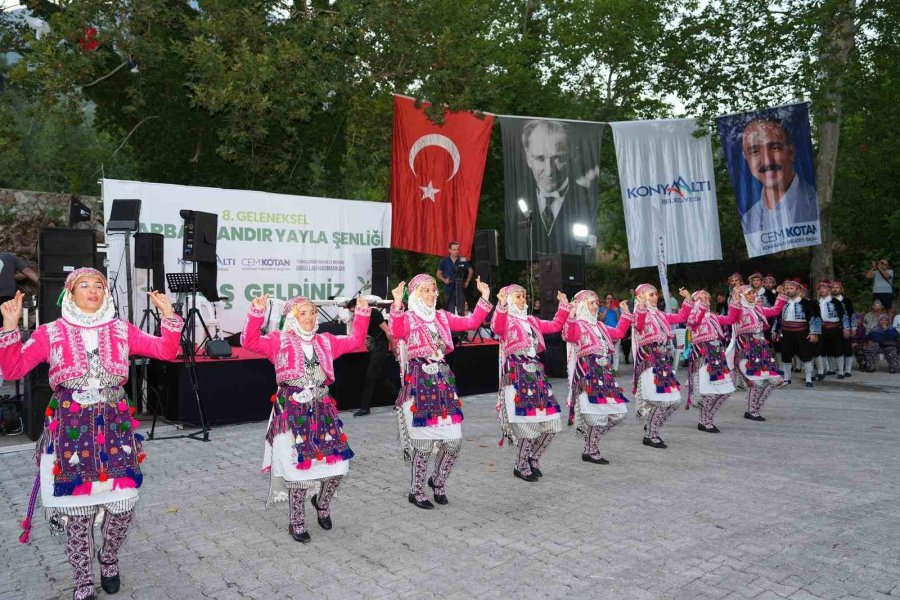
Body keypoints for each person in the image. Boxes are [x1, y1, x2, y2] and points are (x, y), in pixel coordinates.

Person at [0, 269, 182, 600]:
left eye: (99, 284)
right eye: (84, 285)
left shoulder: (121, 329)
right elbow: (12, 369)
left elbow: (166, 352)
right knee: (78, 513)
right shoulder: (51, 332)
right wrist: (10, 328)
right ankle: (83, 577)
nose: (93, 290)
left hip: (114, 428)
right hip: (71, 429)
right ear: (69, 293)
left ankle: (109, 558)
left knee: (123, 507)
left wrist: (168, 317)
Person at [241, 294, 370, 543]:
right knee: (296, 469)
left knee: (339, 467)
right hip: (291, 411)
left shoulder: (326, 341)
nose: (310, 317)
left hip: (322, 411)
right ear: (291, 317)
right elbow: (249, 341)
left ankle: (322, 502)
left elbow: (356, 340)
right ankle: (296, 520)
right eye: (303, 313)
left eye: (312, 312)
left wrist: (362, 313)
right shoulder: (279, 341)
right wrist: (256, 312)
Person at [390, 274, 492, 508]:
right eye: (427, 290)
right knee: (423, 445)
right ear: (416, 294)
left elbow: (470, 323)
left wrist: (484, 297)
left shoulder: (442, 317)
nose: (433, 294)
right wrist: (396, 305)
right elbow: (396, 331)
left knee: (454, 442)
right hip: (418, 385)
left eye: (434, 290)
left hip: (443, 385)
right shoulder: (407, 318)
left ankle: (437, 481)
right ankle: (416, 491)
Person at [491, 285, 569, 481]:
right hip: (517, 377)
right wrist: (501, 305)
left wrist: (564, 306)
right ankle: (520, 464)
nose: (522, 299)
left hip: (536, 376)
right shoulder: (506, 319)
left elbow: (554, 326)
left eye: (524, 296)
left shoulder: (531, 320)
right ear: (508, 300)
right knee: (528, 425)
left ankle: (532, 457)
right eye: (517, 296)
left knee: (552, 424)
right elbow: (496, 327)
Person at [562, 291, 632, 464]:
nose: (595, 307)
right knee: (594, 416)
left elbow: (619, 333)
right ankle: (591, 450)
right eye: (591, 303)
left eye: (596, 303)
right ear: (581, 305)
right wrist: (570, 314)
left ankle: (589, 444)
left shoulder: (600, 326)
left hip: (605, 375)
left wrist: (625, 313)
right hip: (587, 375)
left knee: (619, 413)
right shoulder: (577, 325)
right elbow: (568, 335)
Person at [516, 119, 599, 256]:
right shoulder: (517, 202)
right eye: (540, 159)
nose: (549, 171)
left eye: (558, 158)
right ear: (528, 157)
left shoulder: (587, 198)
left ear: (572, 154)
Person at [631, 284, 694, 449]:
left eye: (655, 294)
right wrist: (642, 306)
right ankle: (651, 435)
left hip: (663, 363)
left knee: (674, 401)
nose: (655, 297)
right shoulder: (638, 314)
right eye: (651, 295)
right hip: (650, 363)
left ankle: (652, 425)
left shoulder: (660, 314)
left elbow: (681, 317)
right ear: (642, 296)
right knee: (662, 401)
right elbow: (639, 326)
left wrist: (687, 299)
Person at [739, 118, 819, 234]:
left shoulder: (817, 202)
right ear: (746, 159)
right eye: (755, 151)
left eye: (775, 148)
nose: (767, 161)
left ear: (791, 152)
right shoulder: (748, 219)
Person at [684, 289, 740, 433]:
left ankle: (707, 418)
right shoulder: (691, 316)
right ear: (696, 301)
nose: (707, 298)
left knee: (725, 390)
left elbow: (730, 319)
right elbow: (694, 321)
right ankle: (704, 421)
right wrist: (700, 306)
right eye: (702, 297)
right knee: (708, 392)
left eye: (708, 297)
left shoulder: (713, 316)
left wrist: (735, 301)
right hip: (703, 356)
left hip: (717, 355)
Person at [733, 284, 787, 421]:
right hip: (746, 346)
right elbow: (731, 316)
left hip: (760, 346)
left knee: (772, 381)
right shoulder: (739, 309)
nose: (752, 295)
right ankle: (752, 411)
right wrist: (735, 299)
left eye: (753, 293)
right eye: (749, 293)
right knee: (756, 381)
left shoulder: (757, 308)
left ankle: (754, 409)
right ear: (742, 296)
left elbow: (775, 311)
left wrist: (781, 296)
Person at [345, 298, 395, 417]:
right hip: (374, 346)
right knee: (381, 377)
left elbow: (388, 331)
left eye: (354, 311)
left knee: (370, 376)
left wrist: (393, 348)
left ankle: (365, 407)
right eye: (352, 312)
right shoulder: (359, 317)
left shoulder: (374, 313)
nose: (353, 314)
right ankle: (400, 398)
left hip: (381, 345)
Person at [775, 279, 821, 387]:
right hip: (786, 332)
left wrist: (814, 332)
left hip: (802, 332)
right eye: (787, 289)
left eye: (791, 289)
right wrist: (775, 330)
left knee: (806, 354)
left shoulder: (806, 302)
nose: (788, 291)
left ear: (798, 289)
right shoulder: (783, 302)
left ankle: (809, 378)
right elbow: (778, 318)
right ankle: (787, 377)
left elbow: (813, 318)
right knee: (785, 354)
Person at [815, 280, 850, 380]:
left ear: (829, 290)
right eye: (820, 288)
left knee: (838, 349)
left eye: (825, 288)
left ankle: (841, 372)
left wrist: (846, 328)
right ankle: (820, 372)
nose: (822, 290)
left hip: (835, 328)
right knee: (820, 350)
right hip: (821, 328)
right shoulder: (816, 302)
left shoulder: (836, 302)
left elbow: (844, 316)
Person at [436, 241, 473, 316]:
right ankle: (452, 327)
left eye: (457, 249)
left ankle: (462, 326)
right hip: (449, 288)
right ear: (449, 250)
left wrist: (467, 282)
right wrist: (444, 280)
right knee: (450, 312)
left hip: (460, 288)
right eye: (454, 249)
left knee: (461, 312)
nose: (456, 251)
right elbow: (438, 274)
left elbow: (471, 271)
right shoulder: (444, 260)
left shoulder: (462, 259)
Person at [598, 293, 622, 374]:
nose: (610, 300)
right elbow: (600, 319)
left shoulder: (616, 309)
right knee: (607, 353)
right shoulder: (601, 309)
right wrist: (606, 309)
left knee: (616, 353)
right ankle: (608, 370)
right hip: (606, 334)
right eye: (608, 298)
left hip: (616, 332)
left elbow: (620, 321)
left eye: (611, 298)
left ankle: (615, 370)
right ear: (605, 300)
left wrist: (616, 312)